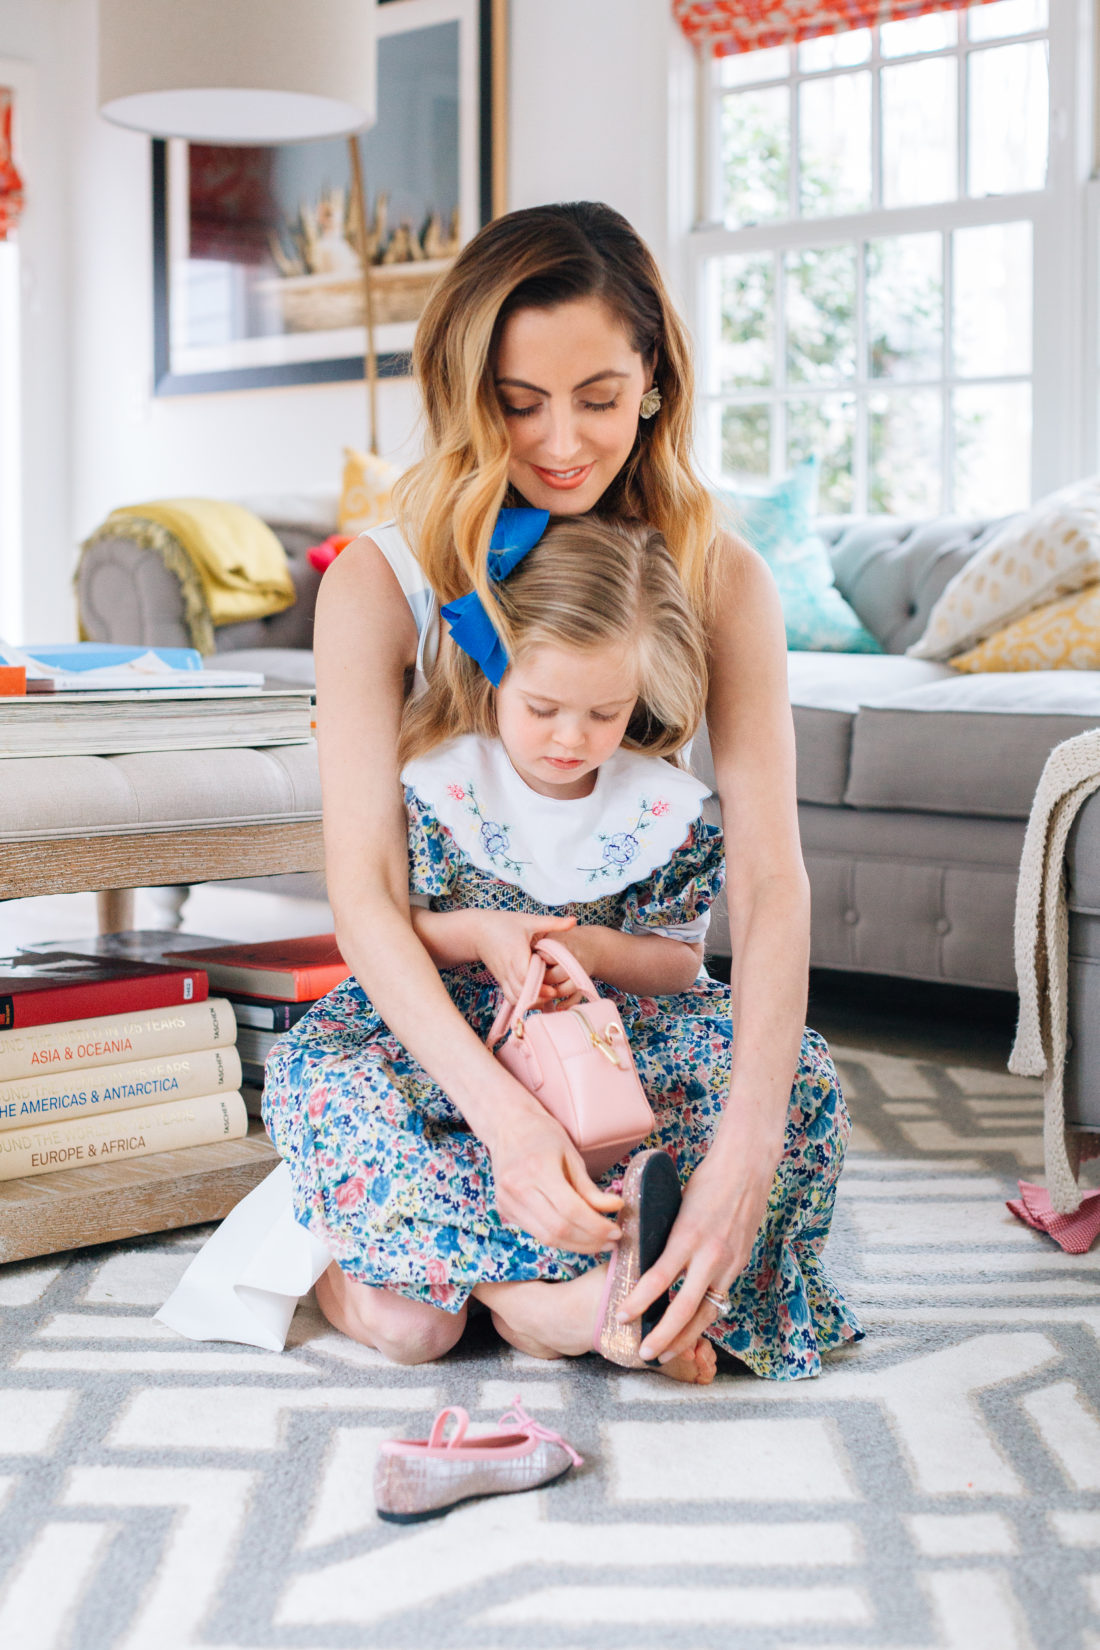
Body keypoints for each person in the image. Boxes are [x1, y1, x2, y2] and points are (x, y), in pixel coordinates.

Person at [285, 199, 860, 1377]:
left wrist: (742, 1152)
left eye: (596, 397)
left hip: (615, 1031)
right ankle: (534, 1294)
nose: (557, 442)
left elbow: (764, 878)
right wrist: (504, 1122)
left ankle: (538, 1272)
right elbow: (362, 898)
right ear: (465, 391)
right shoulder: (381, 587)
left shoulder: (718, 577)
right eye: (516, 401)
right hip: (445, 1029)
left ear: (652, 380)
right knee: (403, 1319)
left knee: (788, 1091)